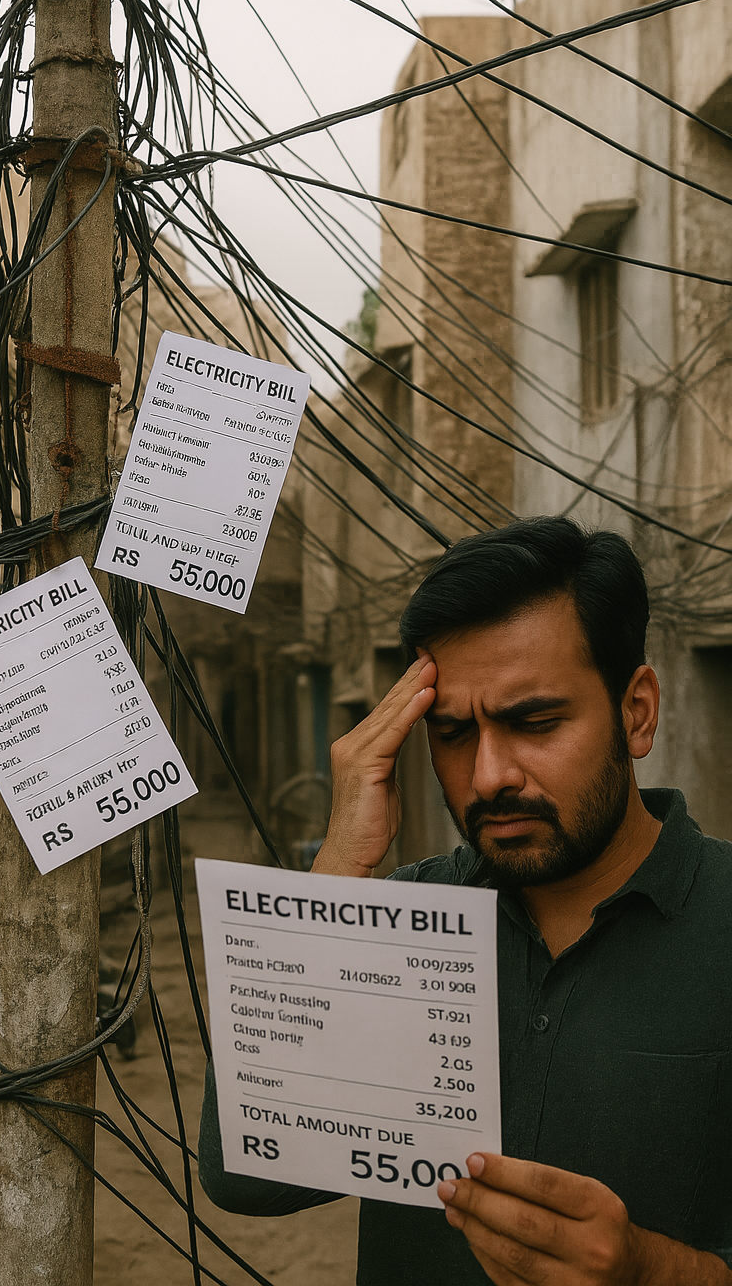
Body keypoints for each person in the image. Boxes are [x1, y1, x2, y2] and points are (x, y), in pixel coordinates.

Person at [198, 516, 732, 1283]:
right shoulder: (396, 926)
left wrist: (653, 1271)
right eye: (450, 733)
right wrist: (341, 869)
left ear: (636, 711)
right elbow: (246, 1174)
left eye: (533, 722)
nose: (488, 777)